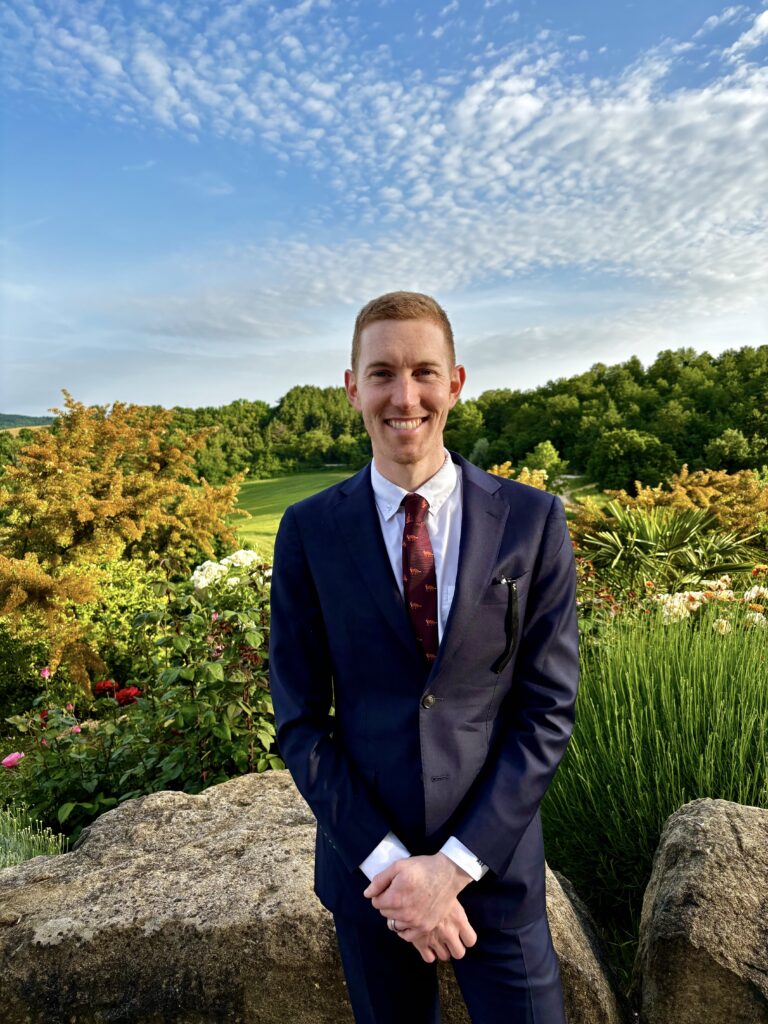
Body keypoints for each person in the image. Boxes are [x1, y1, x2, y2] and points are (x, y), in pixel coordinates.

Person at [269, 291, 579, 1023]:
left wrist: (454, 867)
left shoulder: (532, 522)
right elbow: (301, 722)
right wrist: (394, 871)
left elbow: (547, 710)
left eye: (423, 373)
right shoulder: (308, 531)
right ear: (352, 388)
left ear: (457, 383)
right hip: (370, 883)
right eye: (381, 373)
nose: (403, 396)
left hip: (495, 875)